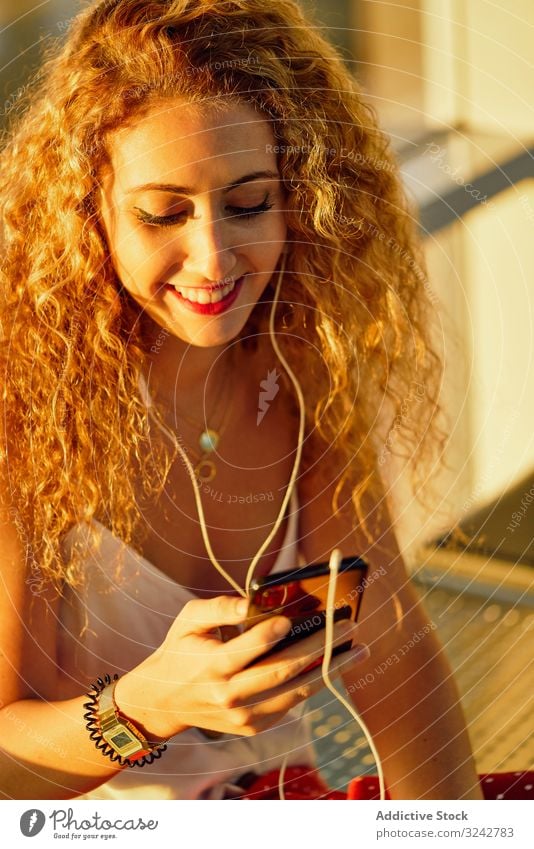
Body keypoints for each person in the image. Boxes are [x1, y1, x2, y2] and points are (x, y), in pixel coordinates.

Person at [0, 0, 482, 800]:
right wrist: (144, 707)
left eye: (250, 203)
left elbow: (394, 651)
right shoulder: (22, 411)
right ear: (89, 213)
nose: (215, 256)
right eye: (163, 213)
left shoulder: (298, 367)